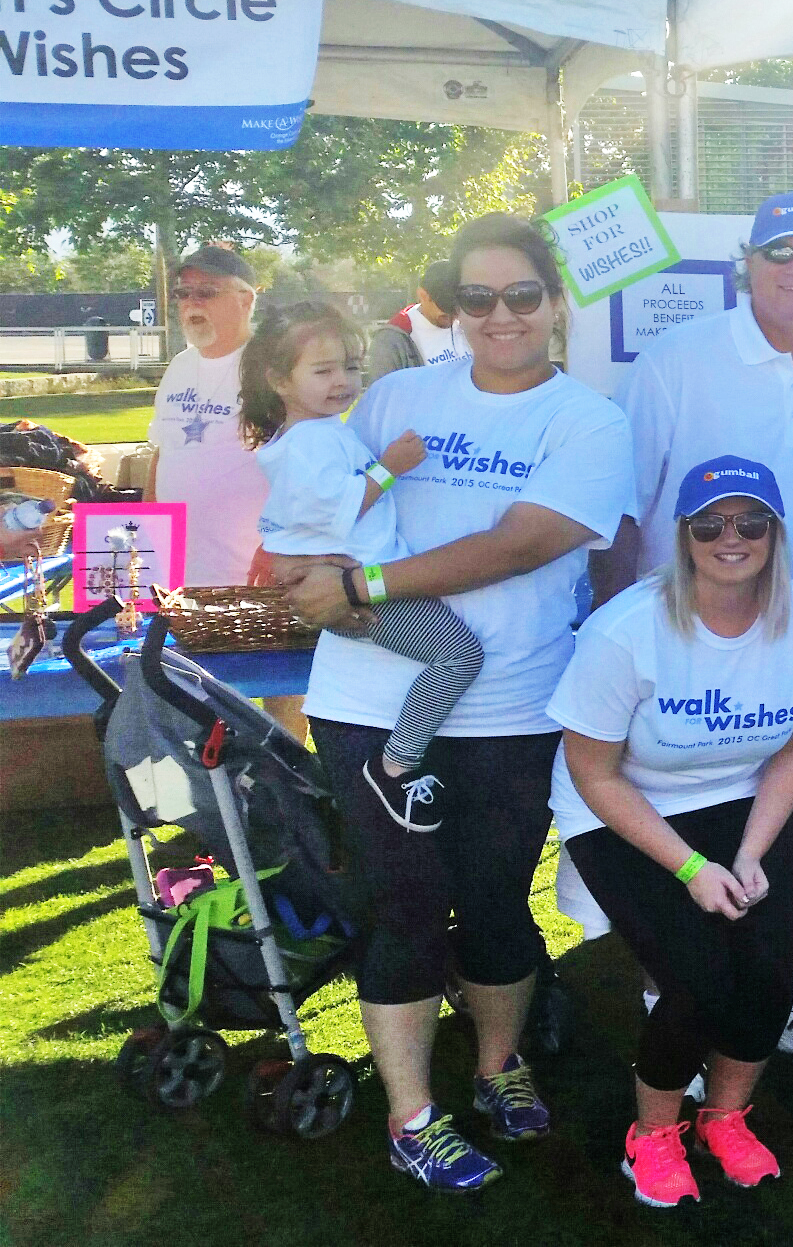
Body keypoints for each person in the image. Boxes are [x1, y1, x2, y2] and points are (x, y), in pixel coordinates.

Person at [280, 213, 634, 1191]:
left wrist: (363, 585)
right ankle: (412, 1115)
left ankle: (495, 1064)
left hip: (511, 707)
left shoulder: (588, 421)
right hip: (367, 701)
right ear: (453, 307)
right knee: (402, 905)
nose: (500, 314)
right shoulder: (398, 394)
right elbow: (322, 499)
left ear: (555, 303)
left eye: (522, 294)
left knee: (492, 902)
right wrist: (311, 560)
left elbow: (524, 542)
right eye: (477, 297)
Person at [598, 191, 793, 1081]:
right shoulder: (678, 358)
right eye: (779, 251)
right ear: (749, 264)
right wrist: (613, 636)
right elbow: (623, 507)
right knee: (680, 825)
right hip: (681, 642)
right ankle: (670, 999)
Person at [548, 457, 793, 1208]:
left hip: (739, 798)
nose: (730, 537)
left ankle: (724, 1119)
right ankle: (652, 1136)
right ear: (683, 537)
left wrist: (750, 851)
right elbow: (594, 773)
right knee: (696, 986)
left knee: (769, 978)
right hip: (623, 807)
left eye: (751, 522)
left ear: (776, 534)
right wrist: (690, 868)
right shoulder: (626, 631)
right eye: (709, 525)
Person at [243, 301, 483, 834]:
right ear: (280, 381)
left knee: (452, 652)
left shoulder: (317, 432)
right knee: (459, 656)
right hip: (368, 588)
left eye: (351, 367)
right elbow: (343, 506)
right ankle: (396, 766)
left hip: (360, 583)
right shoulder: (310, 441)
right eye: (323, 370)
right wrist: (391, 466)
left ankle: (400, 761)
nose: (342, 381)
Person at [148, 243, 268, 585]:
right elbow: (163, 452)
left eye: (206, 292)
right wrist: (148, 526)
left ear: (245, 300)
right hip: (175, 577)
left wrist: (280, 547)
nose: (192, 302)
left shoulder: (272, 367)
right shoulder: (179, 366)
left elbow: (303, 467)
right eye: (183, 293)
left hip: (248, 577)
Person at [366, 261, 468, 386]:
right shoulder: (392, 340)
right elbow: (383, 392)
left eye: (457, 310)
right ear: (422, 295)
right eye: (445, 311)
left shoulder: (470, 325)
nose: (453, 317)